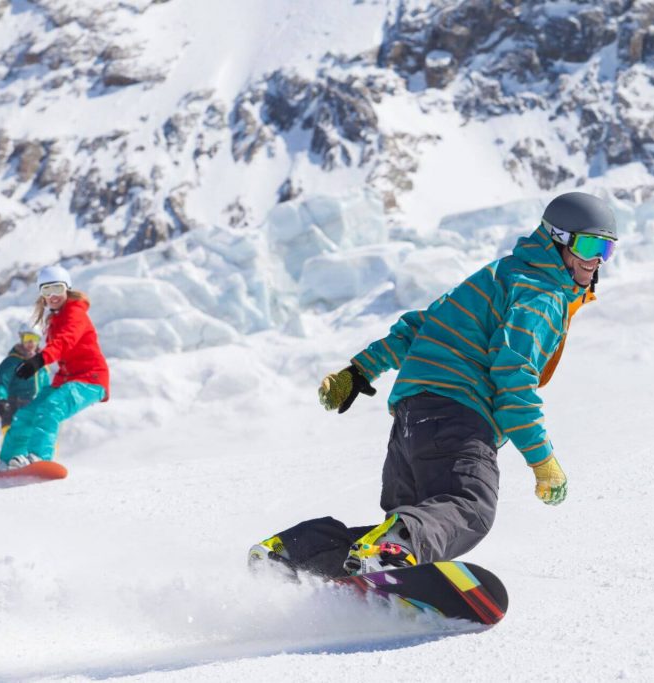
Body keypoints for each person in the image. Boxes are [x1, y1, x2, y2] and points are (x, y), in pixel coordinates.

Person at [249, 192, 619, 577]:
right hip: (458, 420)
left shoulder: (498, 275)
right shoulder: (541, 294)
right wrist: (543, 462)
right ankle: (393, 547)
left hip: (411, 426)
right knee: (468, 507)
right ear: (556, 239)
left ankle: (295, 554)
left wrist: (358, 373)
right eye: (590, 246)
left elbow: (423, 328)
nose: (596, 262)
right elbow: (513, 380)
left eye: (606, 250)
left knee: (420, 530)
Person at [0, 265, 110, 472]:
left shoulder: (75, 313)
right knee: (26, 414)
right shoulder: (55, 318)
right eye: (46, 291)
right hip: (66, 380)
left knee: (51, 408)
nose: (53, 296)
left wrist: (39, 361)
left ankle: (39, 457)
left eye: (57, 289)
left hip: (90, 379)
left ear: (67, 289)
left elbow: (66, 341)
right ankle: (8, 461)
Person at [0, 328, 51, 434]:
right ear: (22, 339)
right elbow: (1, 382)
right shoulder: (12, 362)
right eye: (28, 338)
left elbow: (46, 388)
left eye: (34, 339)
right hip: (15, 409)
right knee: (15, 445)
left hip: (36, 411)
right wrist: (1, 399)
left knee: (41, 442)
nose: (31, 343)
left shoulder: (41, 364)